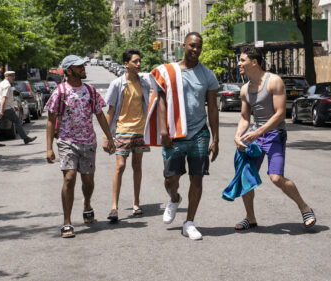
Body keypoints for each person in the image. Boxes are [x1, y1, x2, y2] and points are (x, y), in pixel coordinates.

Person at [145, 32, 219, 240]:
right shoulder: (168, 72)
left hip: (199, 134)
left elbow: (212, 108)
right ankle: (174, 198)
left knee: (197, 178)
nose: (196, 50)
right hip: (174, 133)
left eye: (199, 47)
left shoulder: (208, 75)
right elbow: (161, 101)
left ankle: (189, 222)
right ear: (184, 45)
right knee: (170, 178)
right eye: (192, 46)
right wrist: (163, 130)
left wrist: (216, 138)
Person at [233, 46, 316, 230]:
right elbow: (245, 117)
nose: (239, 63)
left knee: (276, 178)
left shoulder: (274, 81)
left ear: (254, 62)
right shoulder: (245, 89)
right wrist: (238, 135)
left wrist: (257, 132)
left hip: (274, 134)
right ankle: (250, 218)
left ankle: (305, 208)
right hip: (255, 135)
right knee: (247, 177)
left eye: (242, 60)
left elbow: (279, 114)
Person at [45, 55, 115, 238]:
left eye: (83, 65)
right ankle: (67, 222)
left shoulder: (90, 91)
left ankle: (87, 203)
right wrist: (49, 148)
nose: (83, 68)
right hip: (67, 142)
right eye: (79, 66)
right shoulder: (60, 92)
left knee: (88, 182)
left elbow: (100, 115)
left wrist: (109, 137)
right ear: (68, 70)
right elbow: (51, 120)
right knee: (69, 178)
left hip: (88, 142)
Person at [104, 49, 151, 222]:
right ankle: (114, 207)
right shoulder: (117, 84)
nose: (139, 64)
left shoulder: (144, 83)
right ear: (126, 64)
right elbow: (111, 110)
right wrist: (107, 136)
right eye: (135, 61)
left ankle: (136, 203)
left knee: (137, 166)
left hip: (140, 130)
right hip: (122, 129)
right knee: (120, 166)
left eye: (139, 61)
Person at [0, 71, 37, 147]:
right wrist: (1, 110)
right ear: (7, 76)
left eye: (14, 76)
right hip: (6, 108)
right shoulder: (7, 85)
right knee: (17, 121)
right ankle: (25, 138)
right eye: (12, 76)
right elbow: (4, 98)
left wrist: (13, 105)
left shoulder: (1, 83)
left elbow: (3, 97)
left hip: (1, 107)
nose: (14, 78)